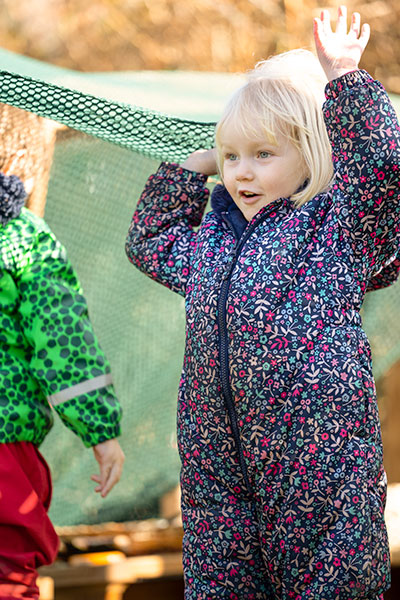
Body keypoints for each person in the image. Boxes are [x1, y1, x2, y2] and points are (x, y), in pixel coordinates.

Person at [126, 6, 399, 599]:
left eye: (264, 155)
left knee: (329, 588)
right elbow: (147, 242)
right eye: (233, 157)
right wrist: (194, 166)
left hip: (320, 472)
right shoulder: (210, 244)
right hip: (219, 476)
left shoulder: (332, 231)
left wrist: (344, 80)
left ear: (311, 153)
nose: (241, 173)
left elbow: (382, 167)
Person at [0, 106, 125, 600]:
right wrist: (101, 431)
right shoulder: (21, 237)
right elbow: (63, 340)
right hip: (4, 442)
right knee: (8, 571)